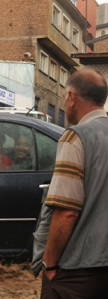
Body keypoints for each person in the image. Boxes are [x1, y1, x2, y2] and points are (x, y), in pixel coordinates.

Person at [40, 68, 108, 298]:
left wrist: (49, 263)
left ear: (71, 97)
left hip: (80, 271)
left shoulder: (75, 137)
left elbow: (67, 211)